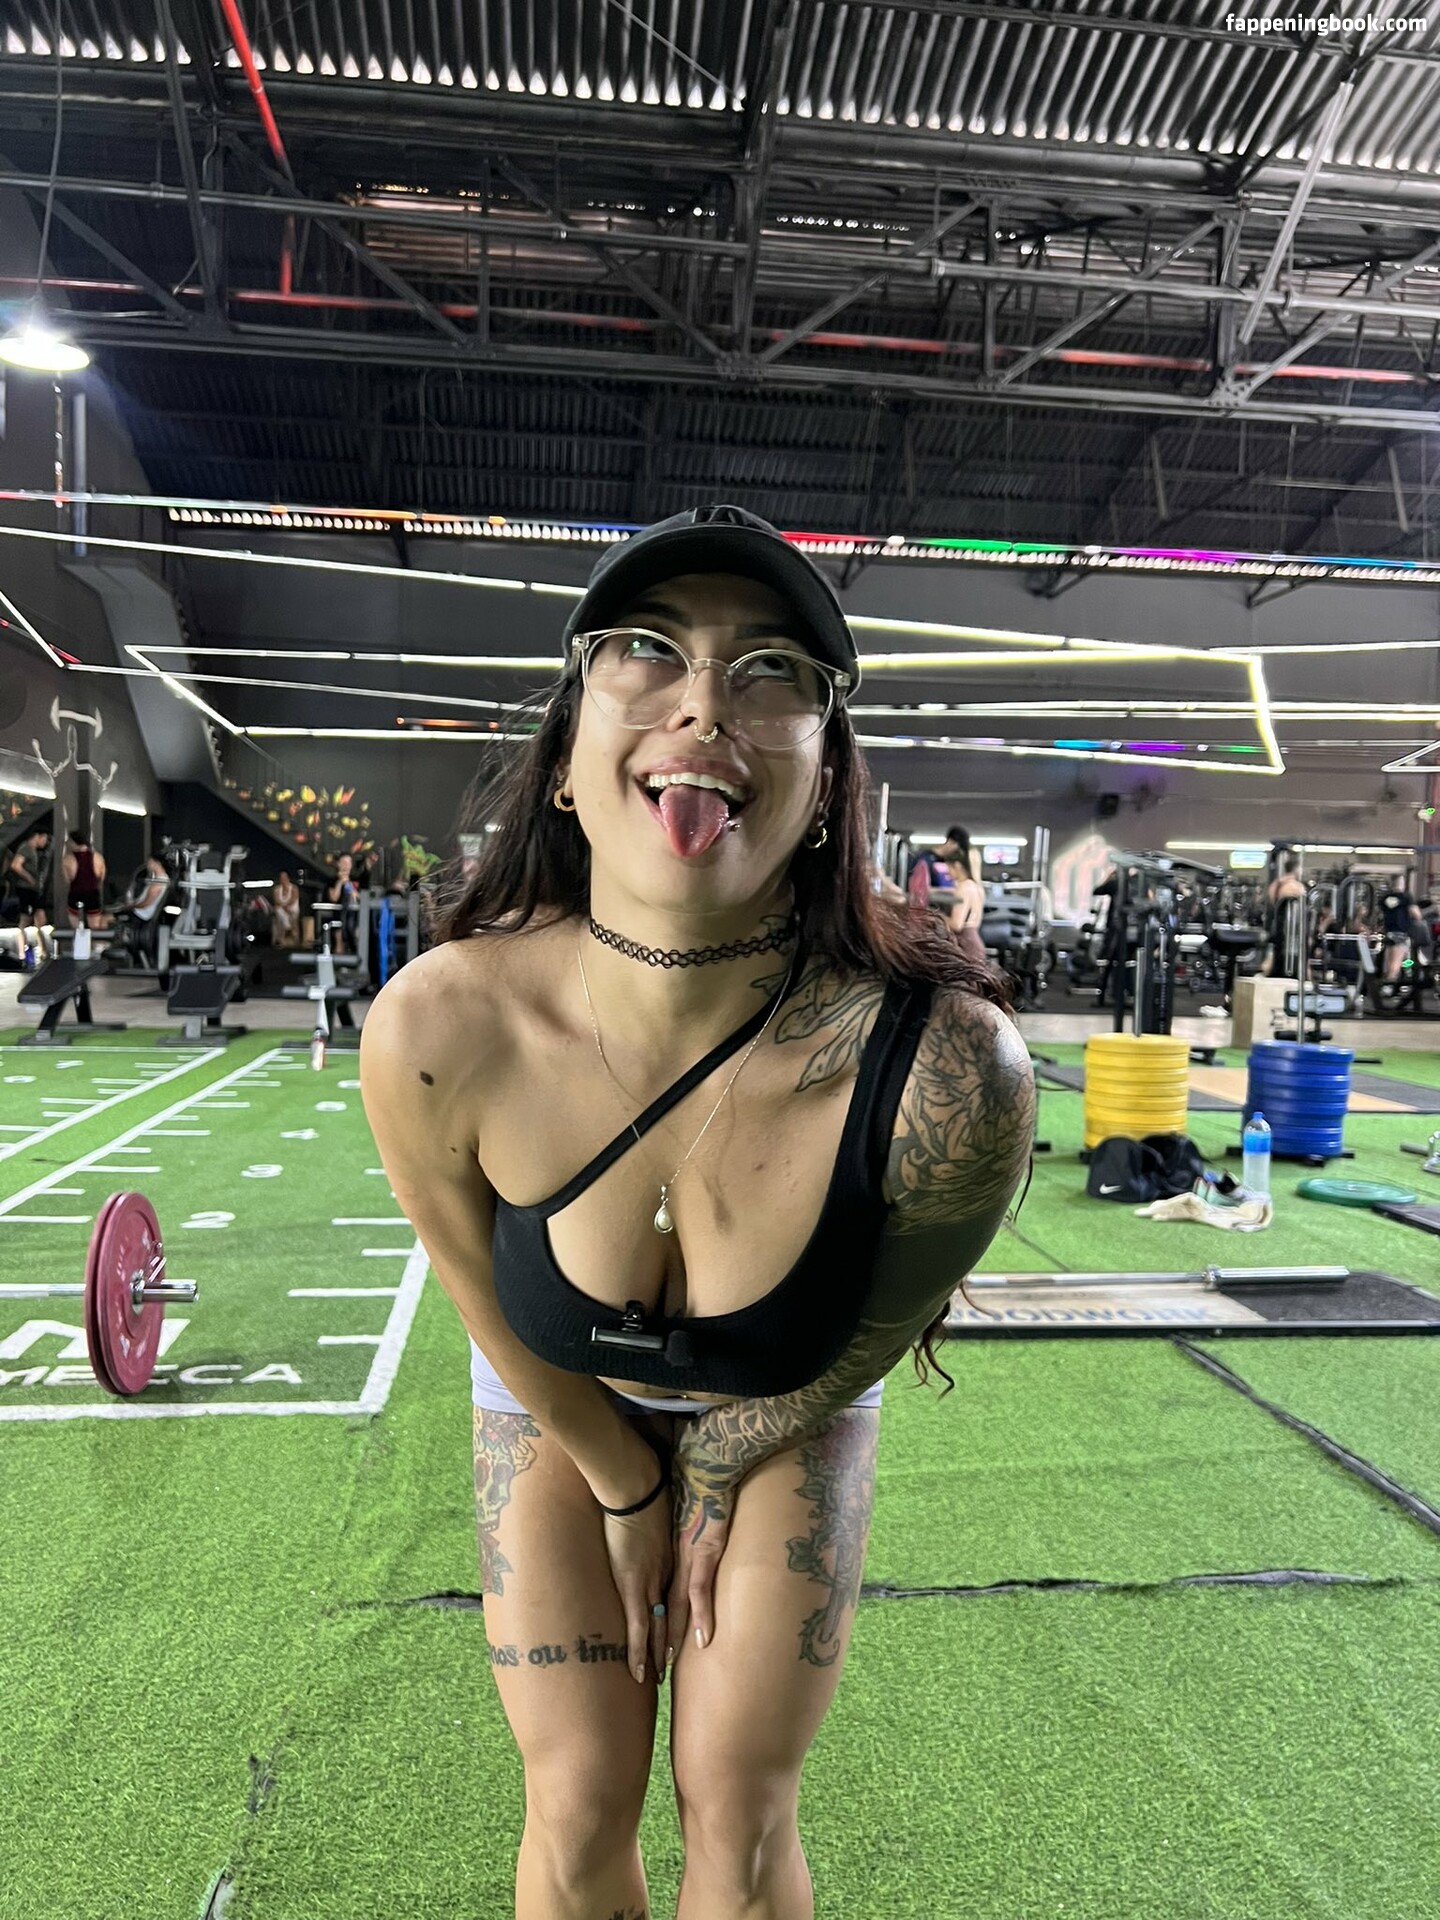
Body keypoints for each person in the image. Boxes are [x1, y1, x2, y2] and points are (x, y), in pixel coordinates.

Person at [359, 503, 1034, 1920]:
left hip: (791, 1389)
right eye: (647, 651)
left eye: (771, 669)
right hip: (553, 1389)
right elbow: (482, 1299)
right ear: (564, 760)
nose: (705, 703)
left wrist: (719, 1459)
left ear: (830, 776)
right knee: (577, 1800)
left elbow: (884, 1317)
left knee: (736, 1804)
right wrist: (626, 1478)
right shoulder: (439, 1029)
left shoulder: (948, 1072)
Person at [936, 824, 987, 966]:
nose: (948, 873)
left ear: (957, 865)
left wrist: (937, 917)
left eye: (949, 868)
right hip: (974, 944)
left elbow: (957, 924)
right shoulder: (975, 887)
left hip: (967, 947)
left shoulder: (964, 887)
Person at [1263, 853, 1306, 977]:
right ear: (1296, 868)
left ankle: (1274, 969)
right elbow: (1301, 909)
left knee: (1276, 949)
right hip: (1291, 928)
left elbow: (1272, 903)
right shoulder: (1297, 887)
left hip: (1276, 926)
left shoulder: (1275, 885)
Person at [1379, 881, 1428, 984]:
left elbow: (1383, 913)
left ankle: (1386, 980)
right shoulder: (1406, 897)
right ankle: (1391, 983)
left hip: (1389, 933)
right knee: (1397, 962)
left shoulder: (1385, 898)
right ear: (1403, 884)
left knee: (1389, 961)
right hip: (1401, 933)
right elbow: (1417, 915)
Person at [4, 828, 50, 931]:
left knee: (40, 917)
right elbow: (16, 865)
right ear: (37, 836)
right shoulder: (25, 848)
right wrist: (29, 878)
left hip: (34, 889)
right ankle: (22, 939)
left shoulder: (34, 850)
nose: (45, 842)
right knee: (26, 918)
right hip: (26, 888)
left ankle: (40, 940)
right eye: (44, 838)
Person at [61, 829, 107, 930]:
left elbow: (67, 880)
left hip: (75, 893)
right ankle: (93, 940)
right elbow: (102, 877)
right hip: (92, 894)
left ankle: (79, 938)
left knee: (77, 928)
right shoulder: (98, 857)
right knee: (95, 927)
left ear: (73, 842)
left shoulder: (68, 859)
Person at [323, 853, 359, 954]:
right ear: (338, 864)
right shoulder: (332, 880)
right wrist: (340, 882)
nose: (346, 866)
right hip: (338, 913)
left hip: (354, 914)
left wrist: (350, 887)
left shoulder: (356, 879)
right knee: (339, 930)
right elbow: (333, 898)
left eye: (349, 863)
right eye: (344, 863)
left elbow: (361, 897)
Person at [269, 869, 301, 948]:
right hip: (282, 908)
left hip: (291, 907)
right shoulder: (277, 889)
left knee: (288, 912)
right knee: (278, 910)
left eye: (284, 878)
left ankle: (287, 927)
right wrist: (284, 907)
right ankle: (287, 926)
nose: (283, 880)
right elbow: (276, 900)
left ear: (288, 878)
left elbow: (294, 899)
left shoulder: (294, 888)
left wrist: (287, 906)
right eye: (281, 878)